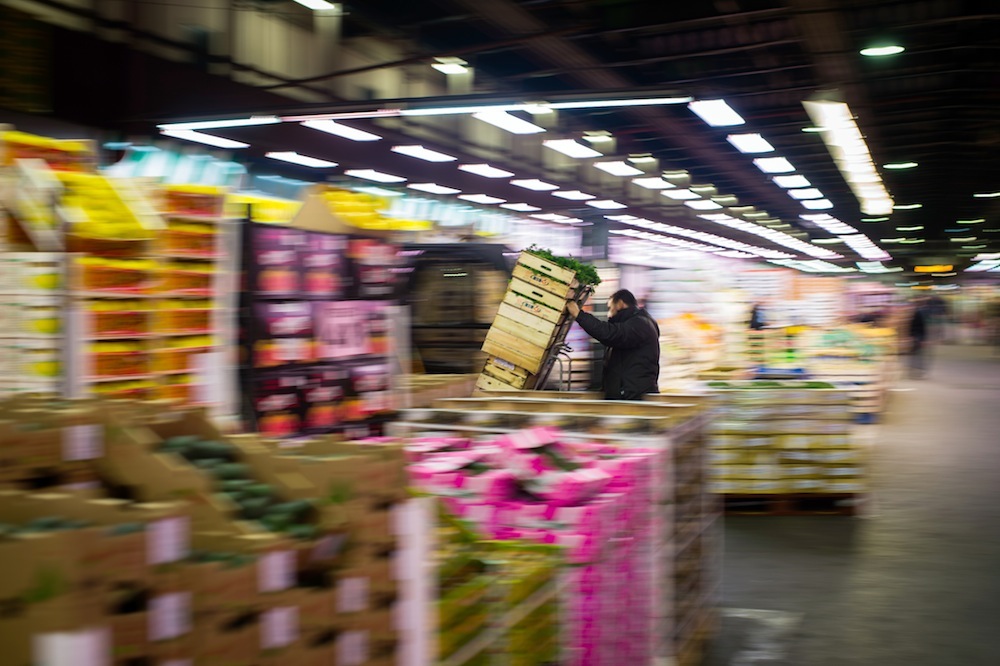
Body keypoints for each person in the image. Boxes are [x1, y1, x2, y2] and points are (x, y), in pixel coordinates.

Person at [566, 289, 660, 400]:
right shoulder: (639, 322)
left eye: (610, 308)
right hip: (628, 394)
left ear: (620, 304)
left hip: (631, 397)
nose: (608, 314)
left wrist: (579, 315)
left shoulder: (640, 324)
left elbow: (610, 333)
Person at [908, 297, 930, 378]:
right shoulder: (921, 312)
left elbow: (913, 325)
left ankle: (915, 369)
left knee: (915, 354)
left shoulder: (917, 312)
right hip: (919, 336)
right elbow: (923, 327)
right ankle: (919, 370)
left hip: (917, 336)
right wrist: (924, 339)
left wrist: (911, 335)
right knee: (918, 355)